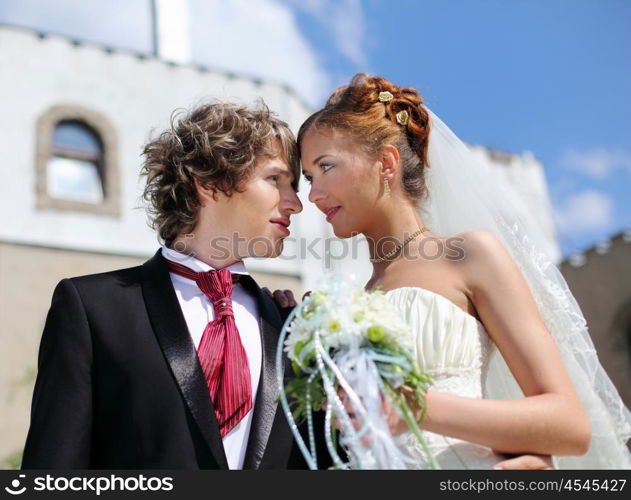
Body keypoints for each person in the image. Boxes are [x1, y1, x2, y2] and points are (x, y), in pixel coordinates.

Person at [293, 73, 631, 469]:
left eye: (327, 167)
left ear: (386, 163)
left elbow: (569, 425)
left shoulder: (468, 255)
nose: (313, 194)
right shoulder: (348, 306)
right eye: (310, 178)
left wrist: (417, 408)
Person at [21, 102, 315, 469]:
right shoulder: (91, 308)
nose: (295, 204)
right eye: (276, 179)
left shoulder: (293, 325)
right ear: (209, 182)